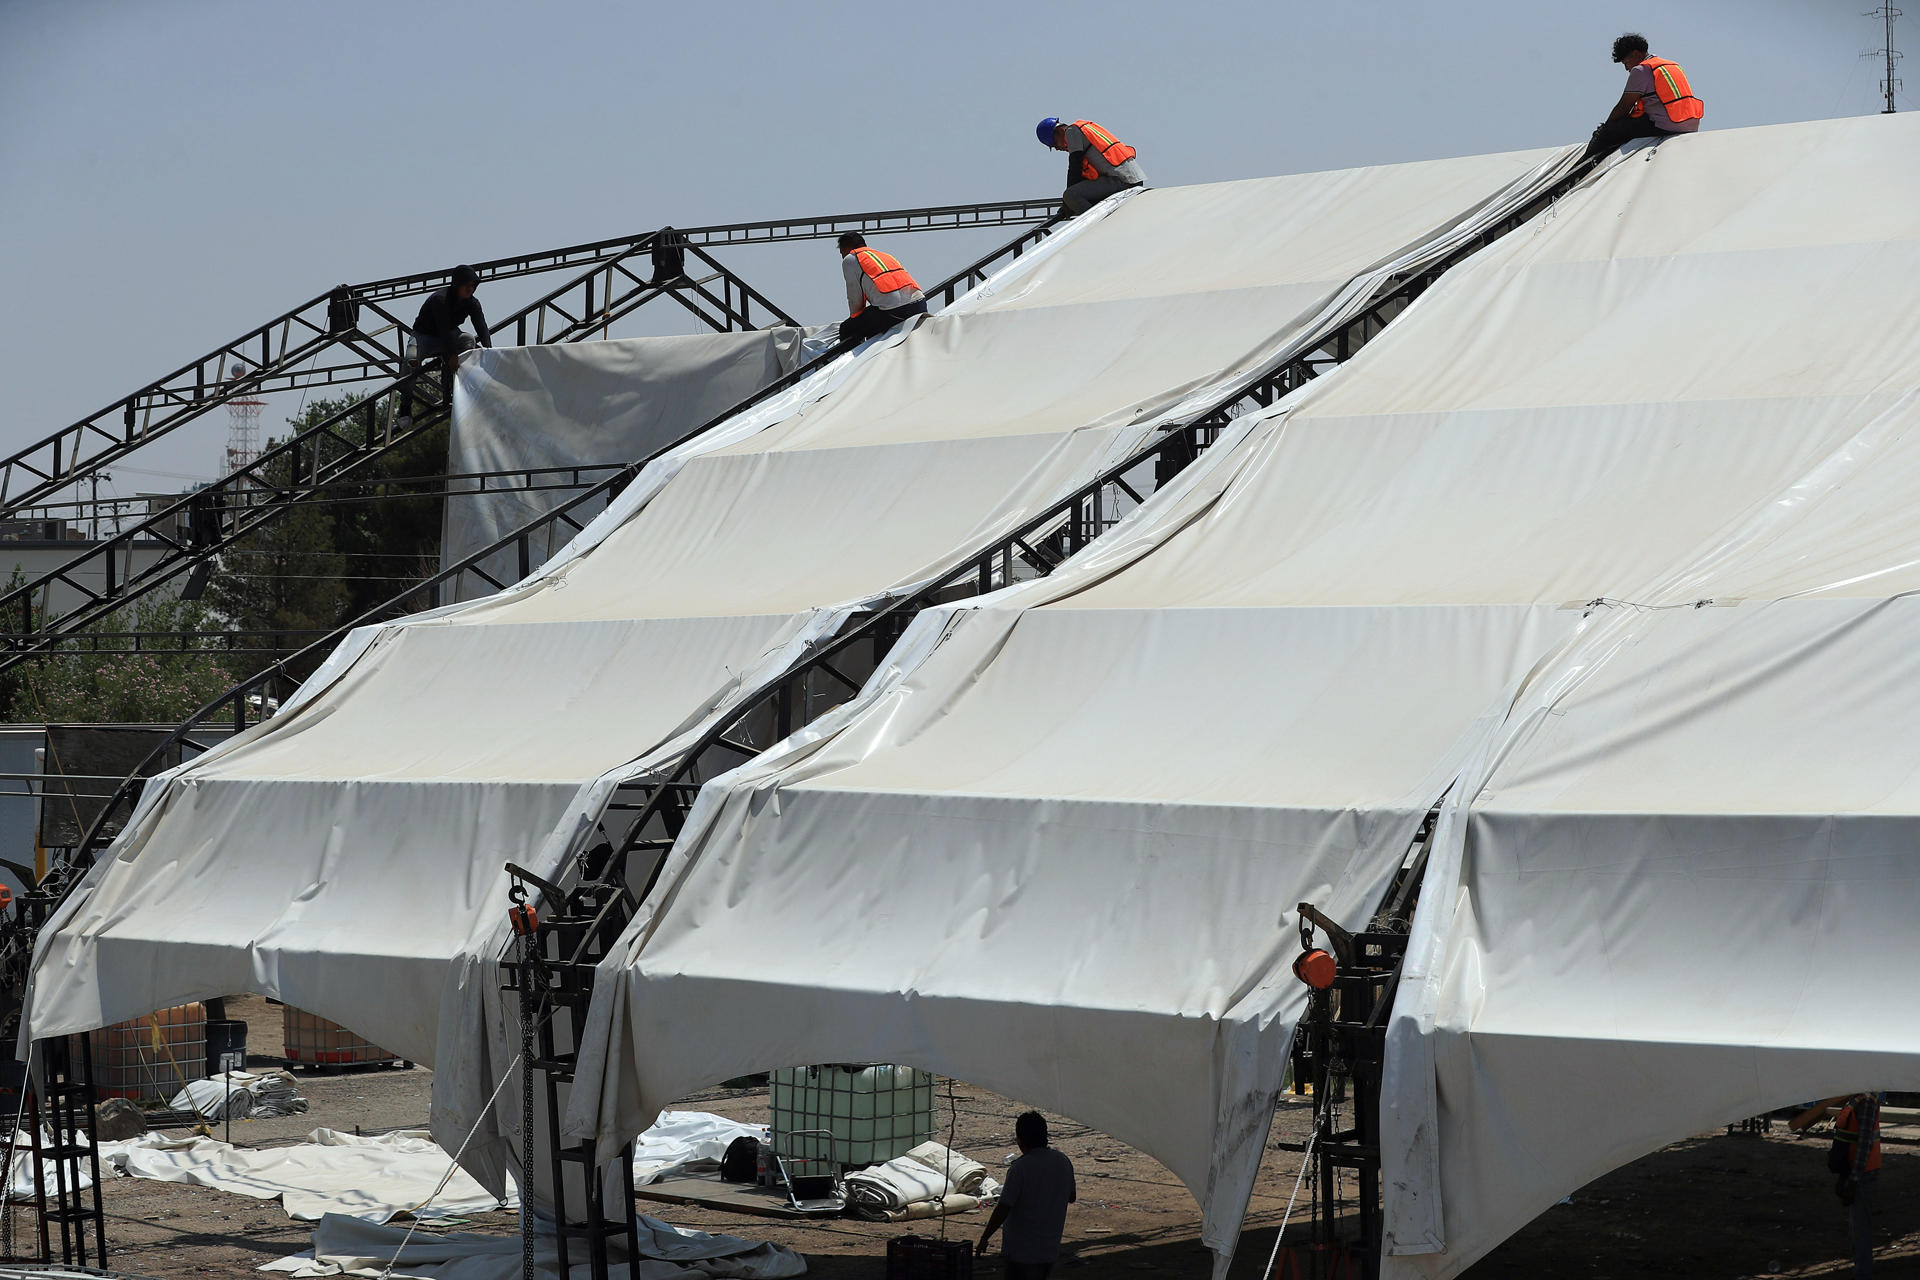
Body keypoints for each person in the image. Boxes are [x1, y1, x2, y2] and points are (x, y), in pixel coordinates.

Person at [1790, 1092, 1882, 1277]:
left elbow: (1864, 1144)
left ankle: (1862, 1274)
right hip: (1853, 1171)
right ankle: (1860, 1270)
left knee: (1860, 1229)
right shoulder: (1857, 1099)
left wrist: (1854, 1179)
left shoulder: (1866, 1103)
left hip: (1861, 1174)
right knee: (1856, 1227)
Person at [978, 1110, 1076, 1279]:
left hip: (1022, 1251)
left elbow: (1004, 1207)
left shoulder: (1020, 1168)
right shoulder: (1063, 1161)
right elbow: (1071, 1197)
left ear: (1020, 1140)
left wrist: (985, 1237)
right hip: (1049, 1248)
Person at [1580, 33, 1704, 164]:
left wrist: (1605, 128)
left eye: (1625, 62)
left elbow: (1623, 106)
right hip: (1690, 124)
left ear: (1635, 54)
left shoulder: (1641, 70)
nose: (1626, 68)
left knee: (1606, 132)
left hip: (1666, 125)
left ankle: (1579, 171)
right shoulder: (1672, 65)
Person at [401, 264, 492, 426]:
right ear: (458, 284)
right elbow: (442, 328)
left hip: (449, 334)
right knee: (410, 361)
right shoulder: (440, 300)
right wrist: (452, 355)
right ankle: (405, 409)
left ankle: (454, 388)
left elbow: (481, 326)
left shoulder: (472, 303)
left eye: (473, 286)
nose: (470, 289)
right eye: (467, 285)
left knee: (468, 340)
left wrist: (489, 351)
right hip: (423, 336)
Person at [1037, 117, 1145, 216]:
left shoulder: (1071, 132)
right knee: (1082, 197)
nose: (1057, 148)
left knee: (1071, 195)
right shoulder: (1084, 127)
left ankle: (1100, 226)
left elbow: (1075, 168)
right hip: (1130, 178)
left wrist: (1067, 203)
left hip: (1121, 180)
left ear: (1059, 132)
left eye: (1055, 143)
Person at [835, 232, 927, 348]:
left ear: (846, 248)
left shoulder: (851, 259)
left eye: (841, 253)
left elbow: (854, 298)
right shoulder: (886, 255)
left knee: (847, 328)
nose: (842, 257)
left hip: (894, 311)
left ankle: (850, 364)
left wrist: (854, 319)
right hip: (919, 305)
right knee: (871, 321)